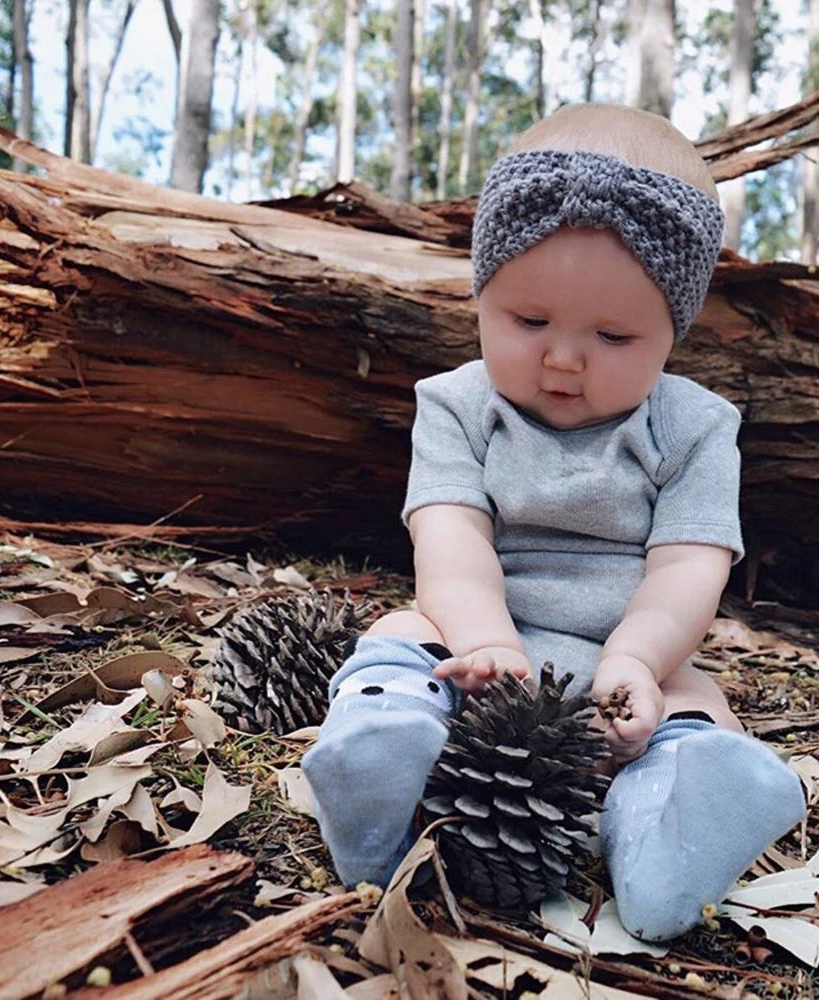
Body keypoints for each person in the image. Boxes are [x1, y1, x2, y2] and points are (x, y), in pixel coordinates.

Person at [301, 102, 805, 942]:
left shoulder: (695, 427)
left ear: (671, 334)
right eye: (528, 321)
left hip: (626, 667)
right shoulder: (458, 405)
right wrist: (487, 641)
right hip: (477, 652)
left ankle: (670, 832)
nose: (563, 357)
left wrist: (638, 661)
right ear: (481, 294)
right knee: (398, 630)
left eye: (612, 335)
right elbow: (449, 537)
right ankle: (385, 749)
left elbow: (689, 569)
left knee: (698, 700)